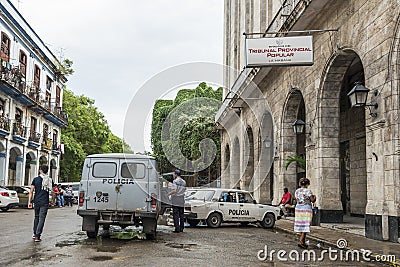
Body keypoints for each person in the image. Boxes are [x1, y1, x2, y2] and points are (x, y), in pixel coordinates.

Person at [28, 165, 52, 242]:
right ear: (47, 171)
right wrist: (53, 201)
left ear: (40, 170)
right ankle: (38, 236)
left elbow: (31, 191)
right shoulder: (49, 180)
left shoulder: (35, 179)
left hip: (36, 201)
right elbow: (53, 191)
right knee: (42, 218)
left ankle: (35, 234)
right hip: (45, 202)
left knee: (36, 217)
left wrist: (29, 202)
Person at [294, 178, 316, 249]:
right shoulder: (308, 191)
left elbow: (296, 199)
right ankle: (301, 240)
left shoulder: (297, 191)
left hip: (298, 209)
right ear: (307, 184)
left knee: (301, 224)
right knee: (306, 224)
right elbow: (312, 200)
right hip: (306, 209)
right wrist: (314, 197)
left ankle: (303, 241)